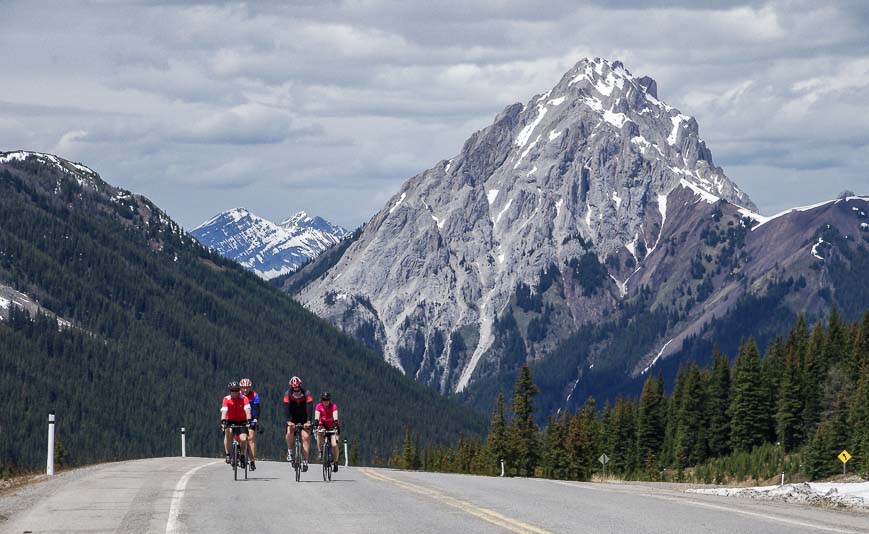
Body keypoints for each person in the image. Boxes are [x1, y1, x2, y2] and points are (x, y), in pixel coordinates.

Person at [283, 376, 313, 471]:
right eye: (294, 389)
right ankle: (290, 451)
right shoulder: (287, 394)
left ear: (300, 386)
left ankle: (305, 461)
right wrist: (288, 421)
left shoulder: (307, 393)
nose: (296, 391)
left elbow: (310, 407)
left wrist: (308, 421)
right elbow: (286, 408)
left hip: (304, 418)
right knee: (289, 431)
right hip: (292, 418)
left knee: (306, 437)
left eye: (298, 389)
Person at [220, 381, 251, 466]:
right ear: (230, 391)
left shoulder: (244, 398)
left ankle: (242, 456)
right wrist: (223, 421)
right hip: (230, 420)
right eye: (233, 390)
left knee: (243, 439)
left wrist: (249, 420)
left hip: (242, 420)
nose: (235, 392)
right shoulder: (226, 399)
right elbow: (224, 411)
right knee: (228, 432)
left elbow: (247, 410)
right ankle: (227, 454)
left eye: (237, 390)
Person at [313, 391, 341, 472]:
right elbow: (317, 418)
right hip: (323, 425)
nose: (326, 401)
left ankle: (335, 462)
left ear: (330, 400)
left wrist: (336, 424)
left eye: (327, 400)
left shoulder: (333, 406)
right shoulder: (318, 406)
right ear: (321, 400)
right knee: (319, 432)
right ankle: (320, 452)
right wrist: (316, 424)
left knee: (334, 444)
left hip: (332, 425)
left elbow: (335, 417)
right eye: (324, 400)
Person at [239, 378, 260, 471]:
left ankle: (252, 461)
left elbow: (257, 408)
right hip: (239, 418)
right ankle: (240, 455)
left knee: (251, 437)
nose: (245, 390)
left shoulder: (254, 395)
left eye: (247, 387)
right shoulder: (237, 395)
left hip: (251, 418)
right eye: (243, 388)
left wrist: (256, 419)